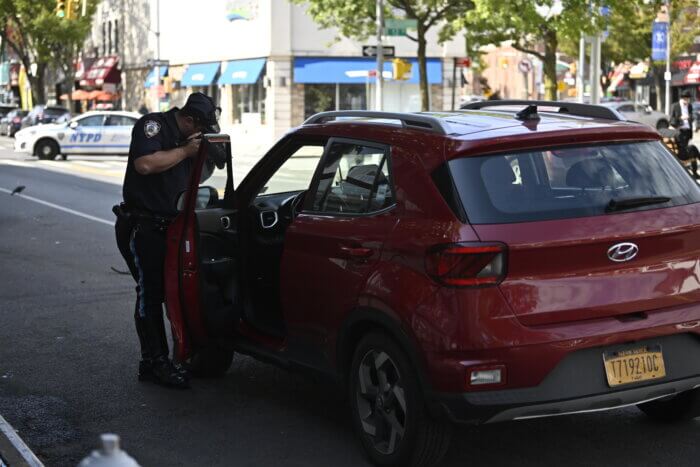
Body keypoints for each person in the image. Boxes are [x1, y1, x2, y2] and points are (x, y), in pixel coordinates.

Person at [114, 92, 220, 389]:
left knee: (175, 292)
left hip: (174, 226)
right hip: (143, 226)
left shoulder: (191, 140)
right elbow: (145, 165)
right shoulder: (154, 126)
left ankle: (166, 357)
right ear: (188, 119)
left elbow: (209, 170)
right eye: (199, 127)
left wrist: (206, 152)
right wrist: (186, 152)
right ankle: (156, 362)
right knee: (150, 293)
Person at [670, 90, 694, 160]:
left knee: (685, 148)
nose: (688, 101)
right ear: (683, 98)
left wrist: (690, 118)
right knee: (681, 148)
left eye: (689, 99)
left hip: (688, 130)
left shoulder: (689, 106)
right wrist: (681, 118)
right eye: (687, 99)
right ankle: (681, 164)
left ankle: (683, 162)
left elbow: (691, 117)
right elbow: (671, 120)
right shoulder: (675, 106)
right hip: (679, 131)